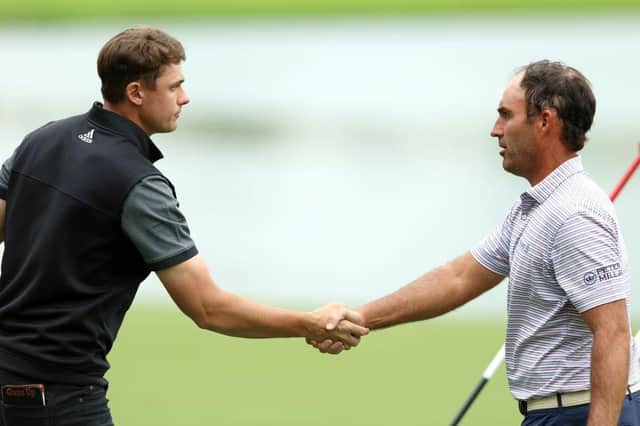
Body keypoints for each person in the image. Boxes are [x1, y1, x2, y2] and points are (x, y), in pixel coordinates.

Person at [0, 26, 367, 426]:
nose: (185, 98)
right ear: (137, 93)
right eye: (175, 87)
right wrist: (308, 323)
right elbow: (208, 309)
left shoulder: (43, 140)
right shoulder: (140, 185)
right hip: (61, 397)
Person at [309, 60, 639, 425]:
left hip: (581, 412)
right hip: (557, 412)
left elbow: (612, 332)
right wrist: (362, 318)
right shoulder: (535, 208)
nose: (495, 131)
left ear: (544, 122)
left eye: (506, 116)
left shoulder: (576, 215)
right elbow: (460, 277)